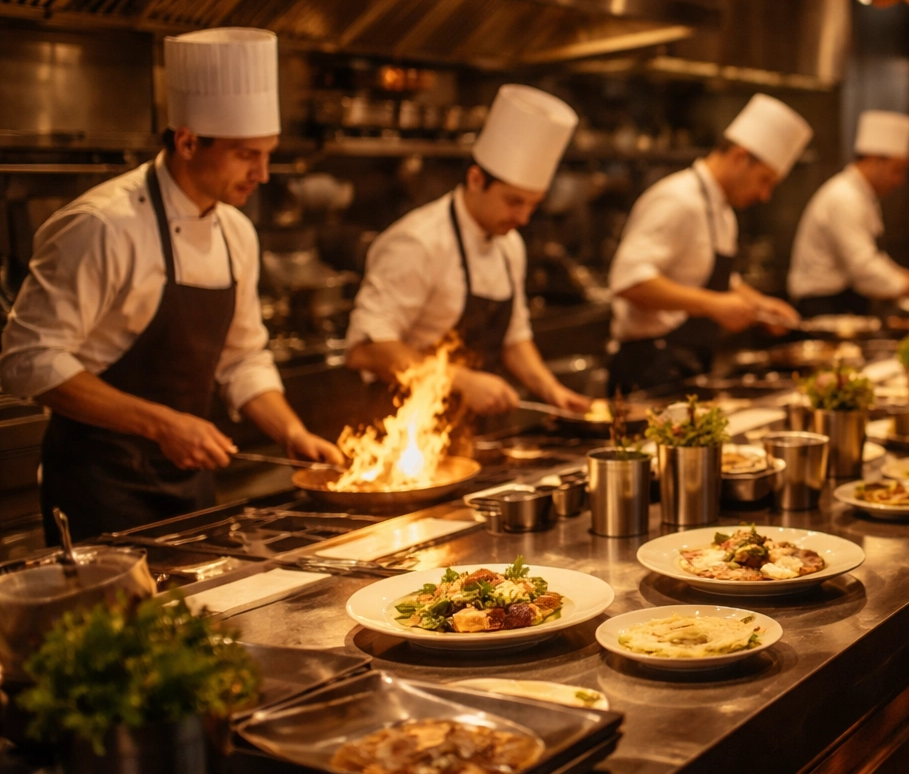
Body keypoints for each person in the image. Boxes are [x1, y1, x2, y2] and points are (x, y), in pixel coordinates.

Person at [0, 28, 343, 543]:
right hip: (98, 486)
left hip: (191, 485)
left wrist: (291, 432)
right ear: (186, 141)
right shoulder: (102, 226)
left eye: (268, 154)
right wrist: (162, 424)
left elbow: (242, 358)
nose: (264, 174)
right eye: (247, 154)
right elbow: (27, 359)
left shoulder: (236, 232)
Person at [345, 85, 589, 417]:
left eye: (533, 205)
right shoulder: (418, 243)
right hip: (405, 429)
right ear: (476, 179)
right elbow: (366, 350)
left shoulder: (509, 243)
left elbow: (514, 336)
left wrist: (553, 391)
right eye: (514, 201)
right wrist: (457, 379)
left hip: (470, 429)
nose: (523, 218)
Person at [606, 94, 811, 394]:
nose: (765, 195)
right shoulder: (677, 199)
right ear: (740, 157)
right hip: (648, 366)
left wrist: (759, 305)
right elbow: (628, 280)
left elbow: (716, 279)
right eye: (764, 180)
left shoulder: (723, 212)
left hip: (687, 363)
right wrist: (712, 305)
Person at [787, 110, 909, 317]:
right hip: (822, 306)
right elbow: (863, 267)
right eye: (897, 170)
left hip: (841, 301)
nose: (900, 180)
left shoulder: (863, 196)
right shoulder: (844, 197)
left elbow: (874, 257)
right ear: (874, 159)